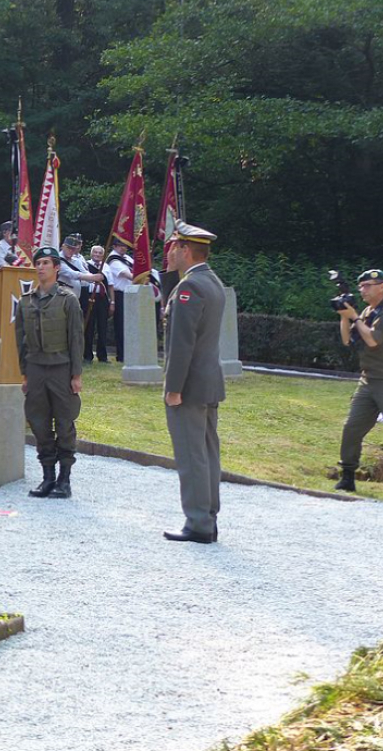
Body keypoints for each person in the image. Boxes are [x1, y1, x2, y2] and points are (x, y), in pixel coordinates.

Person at [162, 220, 225, 544]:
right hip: (208, 381)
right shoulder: (211, 282)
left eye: (174, 246)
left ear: (186, 250)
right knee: (207, 452)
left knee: (191, 454)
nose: (170, 251)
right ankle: (208, 516)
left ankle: (198, 523)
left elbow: (182, 343)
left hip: (188, 386)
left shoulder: (189, 288)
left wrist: (174, 388)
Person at [16, 246, 84, 499]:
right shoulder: (26, 301)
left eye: (46, 263)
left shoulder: (68, 300)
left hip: (61, 369)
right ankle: (47, 477)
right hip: (35, 369)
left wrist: (76, 375)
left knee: (65, 423)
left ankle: (64, 480)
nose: (41, 267)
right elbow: (20, 340)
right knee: (38, 423)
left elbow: (76, 339)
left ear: (57, 267)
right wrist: (25, 374)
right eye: (38, 263)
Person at [335, 269, 383, 492]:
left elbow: (373, 340)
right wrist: (345, 317)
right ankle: (347, 476)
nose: (363, 290)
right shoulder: (366, 311)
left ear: (382, 287)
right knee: (352, 428)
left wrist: (354, 316)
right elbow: (347, 340)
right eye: (361, 286)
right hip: (368, 380)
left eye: (368, 286)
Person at [105, 236, 135, 362]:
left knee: (130, 325)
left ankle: (130, 353)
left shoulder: (127, 258)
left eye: (125, 246)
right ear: (114, 246)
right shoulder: (113, 260)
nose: (123, 248)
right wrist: (142, 278)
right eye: (121, 245)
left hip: (130, 293)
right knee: (121, 326)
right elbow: (127, 275)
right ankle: (121, 355)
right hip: (119, 294)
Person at [84, 245, 111, 363]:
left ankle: (103, 356)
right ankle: (87, 355)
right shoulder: (85, 265)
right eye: (95, 252)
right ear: (91, 253)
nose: (97, 255)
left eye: (100, 253)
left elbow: (110, 285)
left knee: (102, 327)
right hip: (89, 297)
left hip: (102, 298)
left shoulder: (106, 267)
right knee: (89, 327)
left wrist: (112, 301)